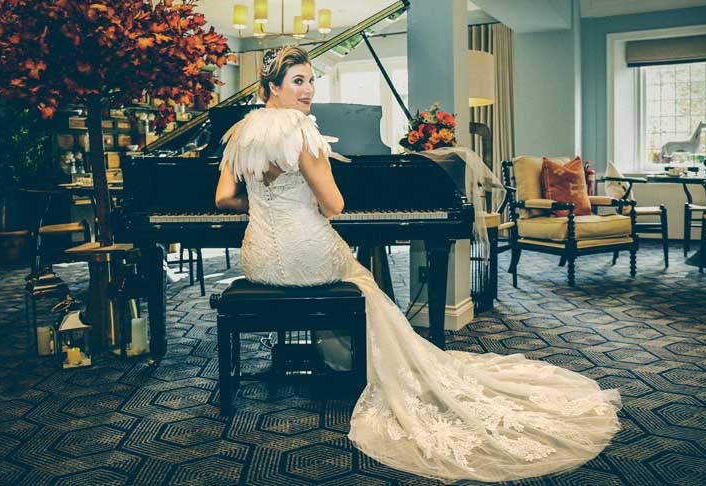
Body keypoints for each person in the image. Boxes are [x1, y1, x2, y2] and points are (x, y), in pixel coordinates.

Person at [215, 46, 621, 483]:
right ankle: (361, 364)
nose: (309, 89)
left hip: (257, 259)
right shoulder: (302, 133)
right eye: (298, 80)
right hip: (305, 253)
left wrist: (267, 201)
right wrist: (305, 201)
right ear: (272, 87)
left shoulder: (244, 133)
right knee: (363, 280)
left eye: (311, 79)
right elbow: (334, 205)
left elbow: (223, 199)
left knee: (352, 276)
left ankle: (339, 357)